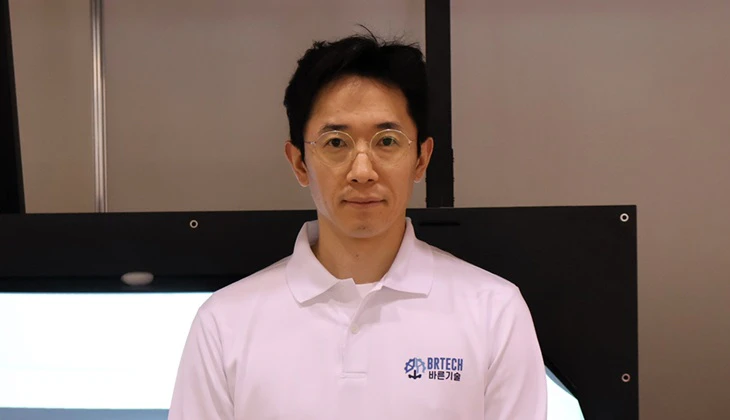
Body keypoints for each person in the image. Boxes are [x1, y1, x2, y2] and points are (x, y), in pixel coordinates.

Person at [168, 31, 547, 420]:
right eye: (336, 143)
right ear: (299, 162)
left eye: (387, 141)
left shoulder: (494, 313)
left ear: (421, 158)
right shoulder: (224, 324)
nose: (362, 171)